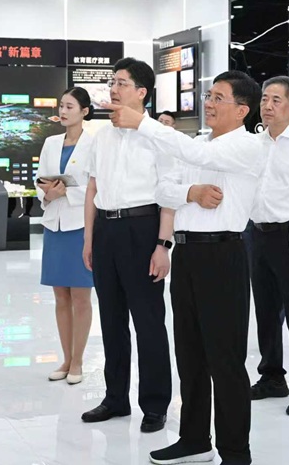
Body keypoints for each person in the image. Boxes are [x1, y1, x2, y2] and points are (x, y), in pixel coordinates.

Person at [107, 70, 262, 465]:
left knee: (225, 359)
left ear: (242, 110)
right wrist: (191, 192)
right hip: (188, 255)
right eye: (209, 96)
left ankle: (235, 452)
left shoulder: (247, 146)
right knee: (190, 354)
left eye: (219, 98)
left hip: (223, 255)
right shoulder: (198, 144)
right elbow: (163, 190)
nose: (208, 103)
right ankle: (194, 439)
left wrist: (143, 123)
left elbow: (199, 158)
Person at [80, 57, 175, 433]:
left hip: (142, 229)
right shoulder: (100, 136)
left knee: (149, 321)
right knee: (111, 319)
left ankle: (155, 404)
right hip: (106, 230)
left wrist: (163, 244)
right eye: (112, 83)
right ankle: (115, 397)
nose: (114, 89)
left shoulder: (158, 136)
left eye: (121, 83)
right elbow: (92, 187)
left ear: (141, 92)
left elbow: (169, 195)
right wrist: (89, 238)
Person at [244, 76, 289, 416]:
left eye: (276, 100)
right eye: (265, 99)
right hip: (257, 233)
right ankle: (271, 377)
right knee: (265, 311)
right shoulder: (255, 143)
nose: (267, 106)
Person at [36, 87, 96, 386]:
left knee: (81, 297)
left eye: (69, 106)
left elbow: (97, 187)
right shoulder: (50, 143)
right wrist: (47, 193)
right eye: (61, 105)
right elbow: (39, 179)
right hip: (54, 224)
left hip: (81, 226)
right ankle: (66, 358)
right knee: (60, 296)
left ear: (84, 111)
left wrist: (66, 193)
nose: (63, 111)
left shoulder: (94, 143)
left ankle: (78, 361)